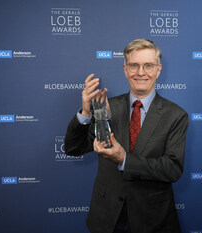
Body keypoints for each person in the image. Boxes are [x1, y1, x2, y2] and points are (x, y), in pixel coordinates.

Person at [65, 39, 189, 233]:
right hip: (107, 219)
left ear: (158, 70)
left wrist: (124, 159)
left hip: (153, 219)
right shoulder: (106, 106)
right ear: (125, 69)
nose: (140, 72)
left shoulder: (176, 115)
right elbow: (74, 148)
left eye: (148, 65)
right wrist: (86, 112)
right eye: (134, 65)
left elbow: (172, 169)